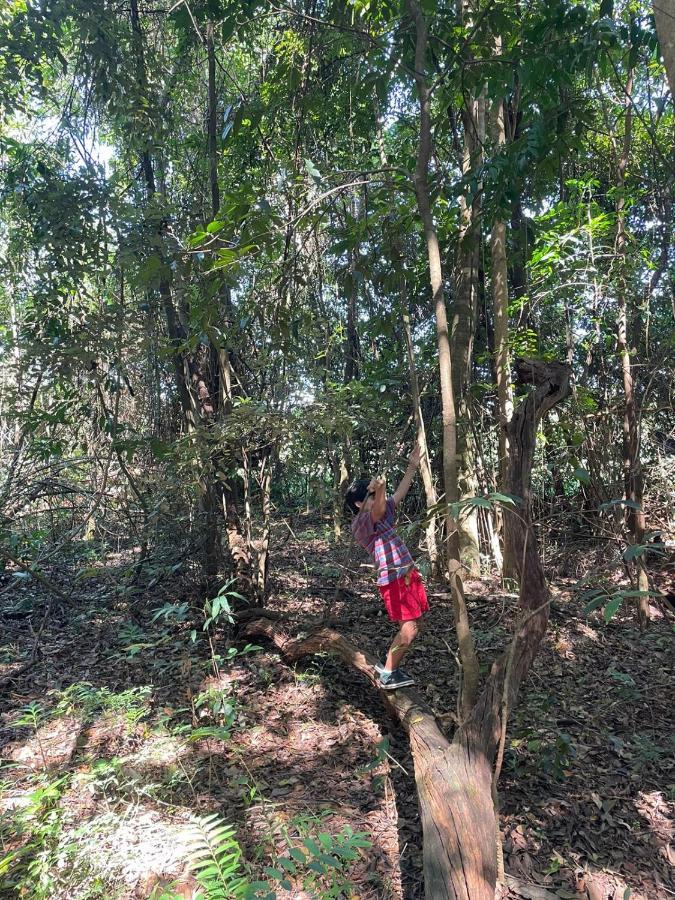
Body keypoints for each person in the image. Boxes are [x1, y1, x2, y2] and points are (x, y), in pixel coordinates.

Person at [345, 445, 428, 690]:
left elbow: (398, 495)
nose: (376, 499)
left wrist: (412, 466)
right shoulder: (361, 522)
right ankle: (388, 672)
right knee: (409, 628)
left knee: (414, 625)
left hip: (406, 574)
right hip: (394, 578)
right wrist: (379, 488)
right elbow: (379, 509)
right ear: (360, 503)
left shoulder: (379, 512)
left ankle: (390, 668)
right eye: (370, 496)